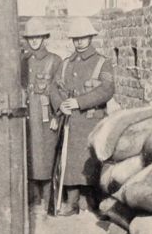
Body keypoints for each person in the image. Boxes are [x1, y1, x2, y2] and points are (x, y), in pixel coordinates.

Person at [49, 17, 115, 216]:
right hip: (70, 121)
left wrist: (79, 102)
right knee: (69, 162)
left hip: (92, 122)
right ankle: (72, 202)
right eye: (75, 38)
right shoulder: (66, 63)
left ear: (90, 38)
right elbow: (54, 87)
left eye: (83, 38)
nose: (79, 42)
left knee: (91, 162)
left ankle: (91, 202)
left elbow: (107, 89)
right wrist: (61, 103)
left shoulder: (103, 62)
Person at [21, 17, 62, 213]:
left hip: (47, 116)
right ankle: (33, 197)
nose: (34, 41)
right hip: (28, 115)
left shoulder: (55, 61)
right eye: (31, 38)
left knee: (46, 155)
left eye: (38, 37)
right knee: (29, 154)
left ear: (45, 38)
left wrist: (57, 116)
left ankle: (48, 197)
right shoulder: (23, 61)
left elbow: (60, 91)